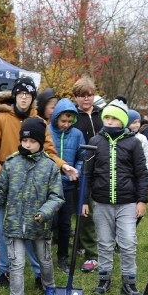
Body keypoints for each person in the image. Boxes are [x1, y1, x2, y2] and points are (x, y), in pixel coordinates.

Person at [0, 76, 75, 288]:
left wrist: (62, 165)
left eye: (28, 94)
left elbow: (50, 151)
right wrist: (2, 176)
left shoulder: (40, 122)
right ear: (15, 96)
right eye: (21, 94)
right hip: (6, 183)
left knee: (35, 230)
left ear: (33, 98)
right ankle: (3, 270)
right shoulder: (1, 119)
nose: (24, 98)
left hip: (34, 186)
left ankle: (38, 273)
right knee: (4, 231)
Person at [0, 117, 63, 295]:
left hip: (39, 225)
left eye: (32, 141)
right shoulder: (11, 163)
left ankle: (50, 288)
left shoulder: (50, 166)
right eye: (24, 141)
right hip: (14, 224)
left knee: (45, 260)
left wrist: (44, 212)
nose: (27, 145)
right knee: (16, 264)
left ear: (40, 142)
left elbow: (57, 197)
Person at [82, 99, 148, 295]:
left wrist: (142, 200)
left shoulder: (133, 143)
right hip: (101, 202)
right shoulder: (95, 142)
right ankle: (104, 278)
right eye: (107, 118)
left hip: (127, 202)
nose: (110, 121)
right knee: (104, 242)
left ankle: (129, 282)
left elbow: (141, 173)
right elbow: (88, 173)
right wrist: (84, 200)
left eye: (114, 118)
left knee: (128, 242)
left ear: (123, 121)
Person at [70, 76, 103, 272]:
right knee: (84, 209)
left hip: (101, 168)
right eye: (82, 96)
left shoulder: (101, 115)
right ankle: (89, 250)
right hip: (82, 168)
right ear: (76, 97)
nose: (86, 100)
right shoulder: (73, 116)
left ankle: (91, 243)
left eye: (89, 95)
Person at [48, 98, 85, 273]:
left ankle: (63, 257)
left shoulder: (77, 134)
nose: (66, 124)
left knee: (65, 224)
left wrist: (76, 170)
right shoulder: (47, 132)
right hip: (49, 187)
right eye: (63, 120)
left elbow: (82, 155)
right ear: (56, 118)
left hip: (68, 187)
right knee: (49, 222)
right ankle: (44, 256)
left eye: (70, 121)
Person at [128, 109, 148, 195]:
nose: (137, 125)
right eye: (133, 122)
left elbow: (146, 160)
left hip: (139, 175)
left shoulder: (142, 138)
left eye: (138, 122)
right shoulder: (121, 139)